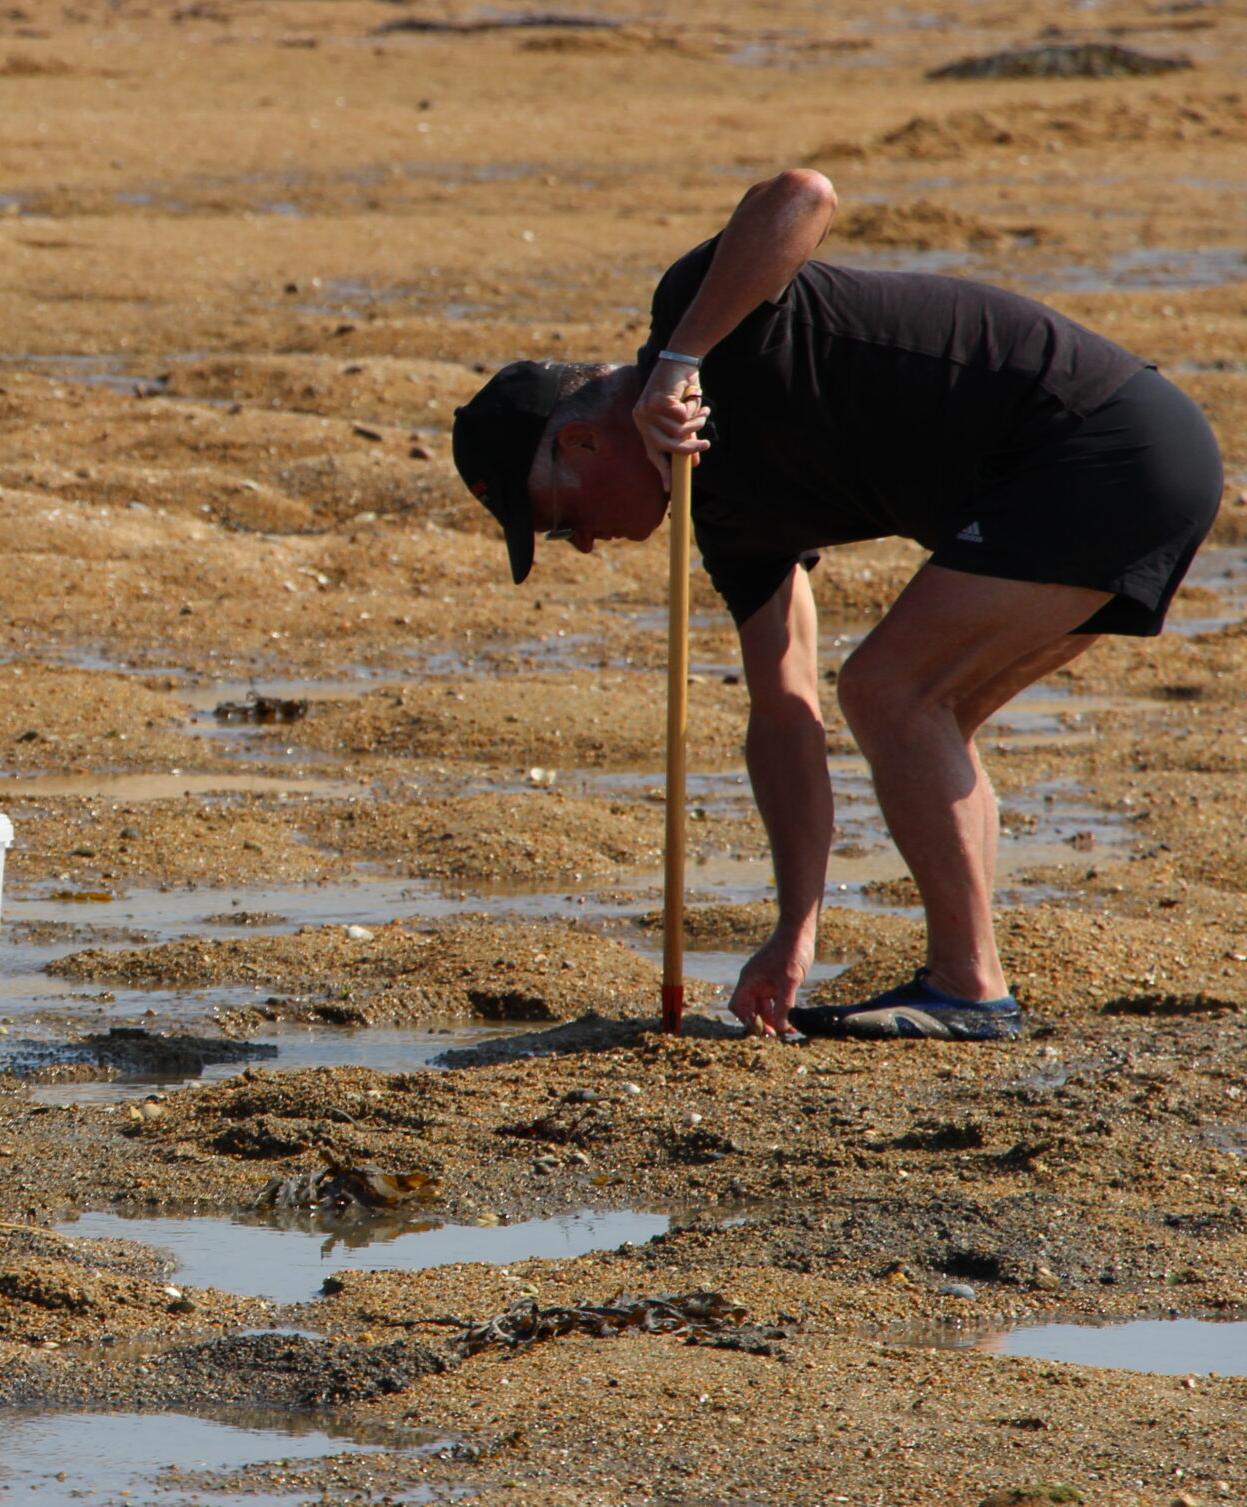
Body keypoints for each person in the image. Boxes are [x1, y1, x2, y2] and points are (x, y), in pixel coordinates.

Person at [451, 169, 1224, 1039]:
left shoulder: (699, 318)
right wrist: (795, 931)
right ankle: (970, 981)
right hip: (1117, 471)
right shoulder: (729, 520)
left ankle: (968, 987)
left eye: (557, 521)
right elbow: (785, 714)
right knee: (934, 709)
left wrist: (680, 359)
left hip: (1107, 446)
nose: (581, 546)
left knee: (892, 690)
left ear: (583, 440)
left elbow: (803, 195)